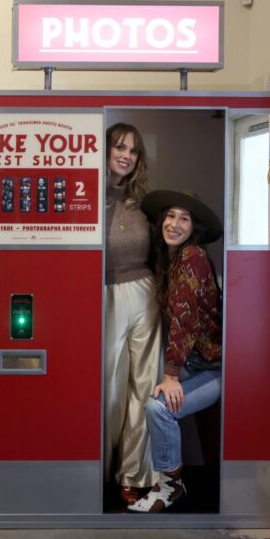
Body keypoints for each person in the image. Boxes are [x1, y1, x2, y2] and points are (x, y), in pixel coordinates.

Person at [129, 189, 223, 513]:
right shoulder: (171, 259)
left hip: (214, 367)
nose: (175, 224)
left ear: (193, 228)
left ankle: (171, 486)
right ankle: (152, 476)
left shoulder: (192, 256)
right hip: (194, 365)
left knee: (159, 408)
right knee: (143, 392)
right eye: (171, 216)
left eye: (184, 219)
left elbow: (184, 317)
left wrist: (170, 377)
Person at [103, 123, 163, 505]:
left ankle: (133, 474)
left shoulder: (145, 203)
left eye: (133, 150)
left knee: (143, 388)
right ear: (105, 150)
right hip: (103, 295)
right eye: (119, 147)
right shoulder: (86, 197)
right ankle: (96, 467)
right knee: (109, 386)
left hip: (145, 295)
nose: (126, 154)